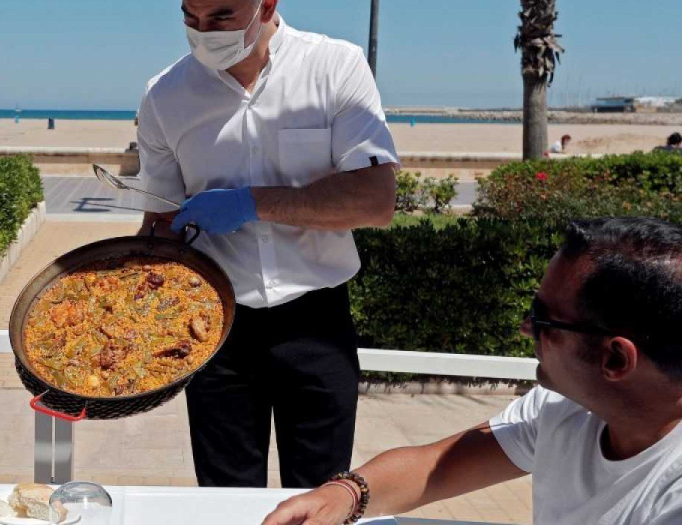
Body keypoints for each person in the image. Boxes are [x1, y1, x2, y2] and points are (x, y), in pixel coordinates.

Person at [263, 217, 682, 525]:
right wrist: (345, 494)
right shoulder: (564, 407)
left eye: (541, 319)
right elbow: (437, 467)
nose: (523, 328)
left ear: (615, 360)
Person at [136, 0, 399, 488]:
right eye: (189, 17)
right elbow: (162, 224)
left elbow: (376, 200)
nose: (202, 32)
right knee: (225, 499)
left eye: (220, 17)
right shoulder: (163, 95)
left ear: (267, 5)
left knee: (322, 496)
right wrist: (128, 331)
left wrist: (253, 203)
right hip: (215, 325)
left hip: (316, 321)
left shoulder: (333, 66)